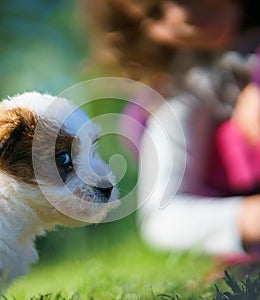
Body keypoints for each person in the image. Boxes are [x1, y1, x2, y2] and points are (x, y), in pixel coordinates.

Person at [82, 0, 260, 259]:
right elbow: (165, 215)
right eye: (154, 13)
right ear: (140, 34)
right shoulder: (182, 93)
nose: (183, 15)